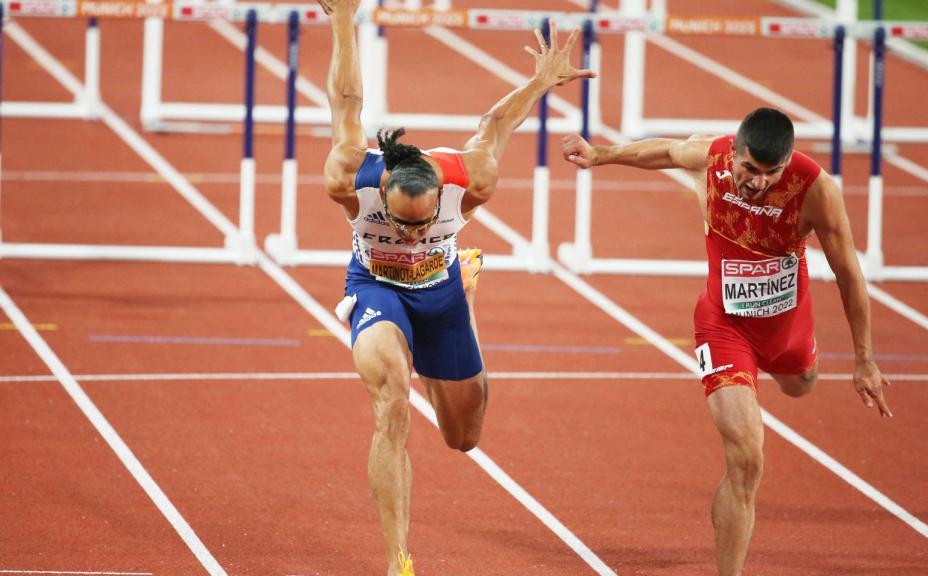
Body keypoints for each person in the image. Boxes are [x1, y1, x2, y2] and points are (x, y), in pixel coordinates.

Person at [317, 0, 595, 573]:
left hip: (440, 291)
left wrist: (539, 83)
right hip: (374, 287)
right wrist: (344, 19)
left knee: (463, 438)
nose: (410, 230)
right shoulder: (350, 174)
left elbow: (496, 127)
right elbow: (346, 103)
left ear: (440, 197)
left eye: (421, 223)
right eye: (399, 220)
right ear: (385, 189)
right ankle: (398, 558)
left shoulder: (472, 178)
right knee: (391, 401)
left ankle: (464, 292)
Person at [562, 107, 893, 575]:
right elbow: (664, 151)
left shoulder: (816, 191)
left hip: (787, 324)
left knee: (801, 383)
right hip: (723, 325)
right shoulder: (709, 155)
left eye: (771, 173)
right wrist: (602, 155)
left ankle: (797, 364)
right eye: (750, 169)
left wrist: (865, 359)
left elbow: (849, 275)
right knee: (747, 459)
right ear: (734, 151)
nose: (758, 182)